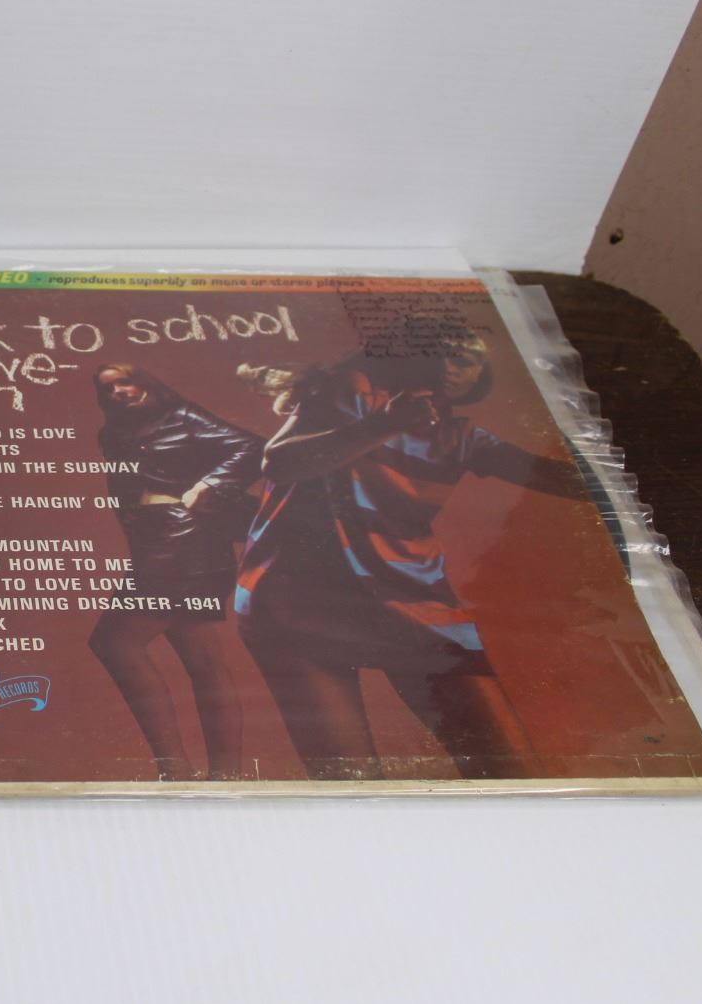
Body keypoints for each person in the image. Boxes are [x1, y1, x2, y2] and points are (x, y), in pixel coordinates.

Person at [234, 324, 584, 781]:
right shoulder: (356, 391)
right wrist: (384, 424)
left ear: (480, 376)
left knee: (511, 771)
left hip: (410, 600)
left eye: (468, 359)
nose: (451, 365)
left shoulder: (463, 438)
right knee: (350, 784)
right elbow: (280, 461)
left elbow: (558, 478)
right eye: (441, 351)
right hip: (298, 598)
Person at [85, 363, 263, 781]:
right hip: (163, 543)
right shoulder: (116, 433)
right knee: (203, 660)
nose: (118, 392)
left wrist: (209, 485)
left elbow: (254, 447)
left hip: (183, 543)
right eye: (107, 389)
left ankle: (174, 769)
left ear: (147, 383)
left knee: (114, 642)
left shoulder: (183, 417)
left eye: (126, 382)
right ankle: (226, 776)